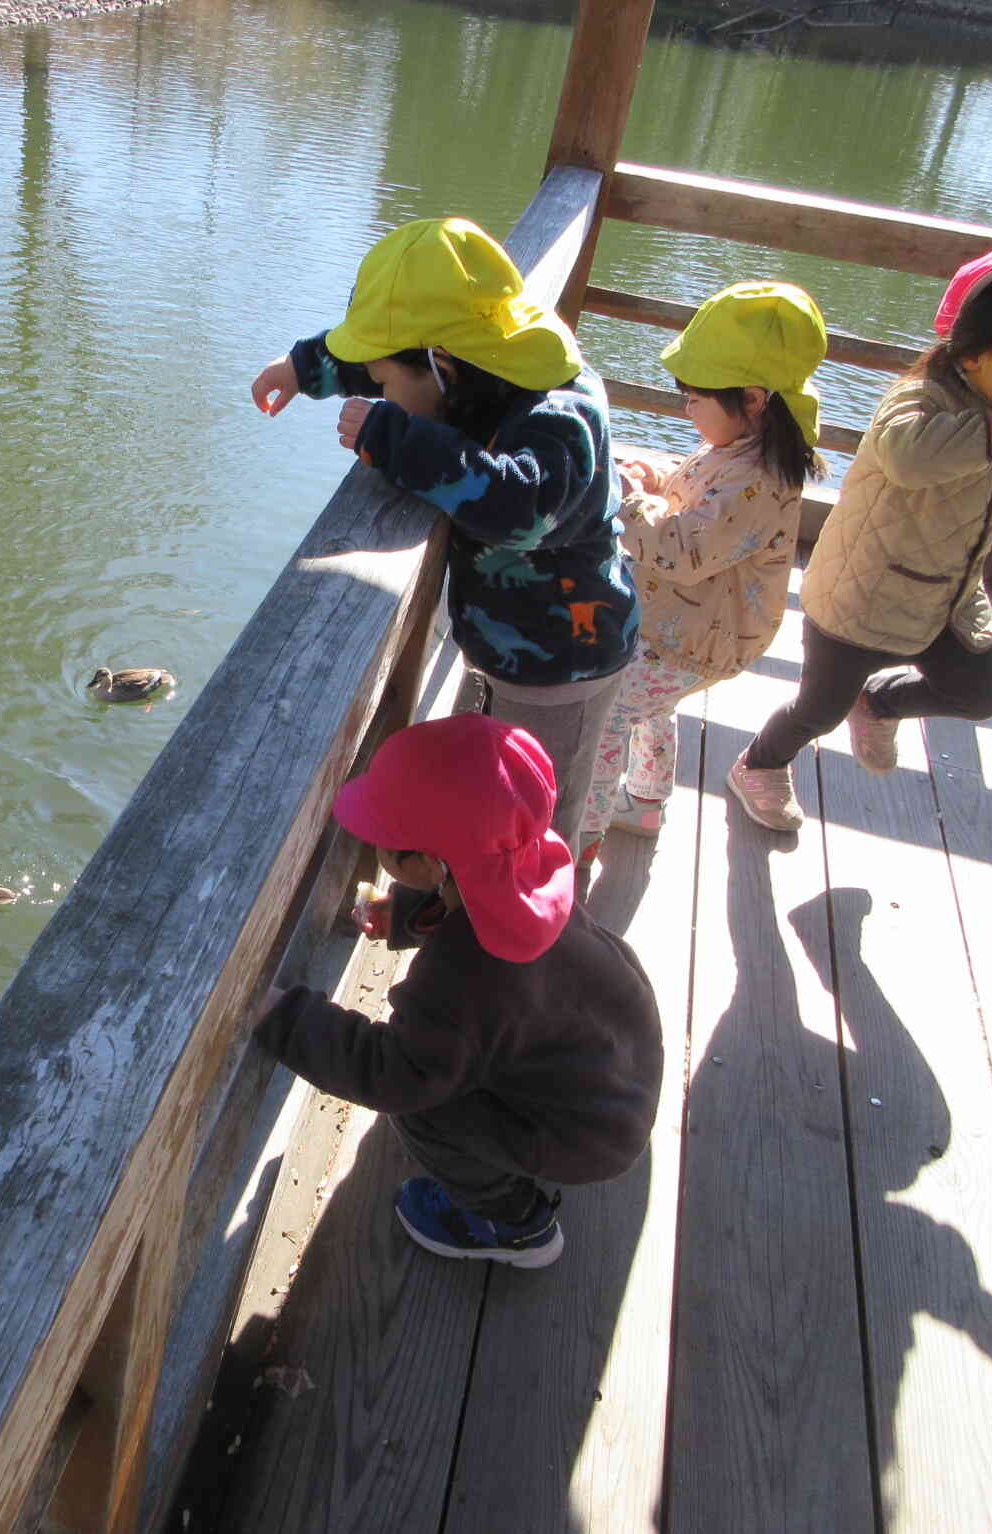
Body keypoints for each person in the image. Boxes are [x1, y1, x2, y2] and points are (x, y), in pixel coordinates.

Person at [251, 217, 639, 841]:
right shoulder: (481, 363)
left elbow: (520, 508)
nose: (377, 390)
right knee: (482, 795)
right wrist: (304, 367)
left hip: (565, 668)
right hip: (502, 649)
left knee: (530, 824)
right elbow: (393, 356)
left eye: (383, 384)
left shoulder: (562, 414)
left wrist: (395, 439)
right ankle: (461, 895)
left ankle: (525, 929)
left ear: (445, 365)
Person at [725, 239, 992, 832]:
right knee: (817, 709)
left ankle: (880, 702)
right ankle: (758, 764)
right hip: (862, 594)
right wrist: (988, 429)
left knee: (983, 692)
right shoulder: (918, 400)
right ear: (976, 352)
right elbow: (908, 457)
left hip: (948, 595)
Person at [254, 714, 662, 1268]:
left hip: (586, 1133)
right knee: (458, 1070)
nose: (374, 842)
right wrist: (406, 915)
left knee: (427, 1110)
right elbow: (473, 886)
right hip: (619, 1073)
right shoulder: (538, 860)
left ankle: (512, 1224)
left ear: (426, 863)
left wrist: (280, 1015)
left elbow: (392, 1072)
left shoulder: (466, 976)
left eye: (385, 841)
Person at [578, 281, 827, 861]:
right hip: (689, 627)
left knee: (609, 710)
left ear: (754, 397)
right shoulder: (742, 448)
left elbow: (684, 551)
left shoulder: (759, 476)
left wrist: (630, 499)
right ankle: (643, 801)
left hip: (692, 638)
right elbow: (702, 501)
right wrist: (659, 477)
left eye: (694, 400)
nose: (686, 410)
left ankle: (580, 836)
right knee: (648, 706)